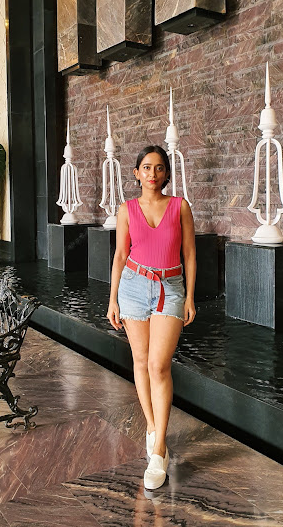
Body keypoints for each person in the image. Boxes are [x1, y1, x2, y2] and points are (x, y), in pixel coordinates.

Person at [107, 145, 196, 490]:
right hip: (132, 286)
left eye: (159, 168)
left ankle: (159, 449)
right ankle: (152, 426)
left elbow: (190, 254)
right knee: (141, 361)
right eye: (146, 167)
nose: (153, 174)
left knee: (159, 366)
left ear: (166, 173)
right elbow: (120, 255)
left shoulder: (180, 206)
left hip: (170, 288)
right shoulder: (126, 210)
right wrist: (112, 299)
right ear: (136, 173)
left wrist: (189, 296)